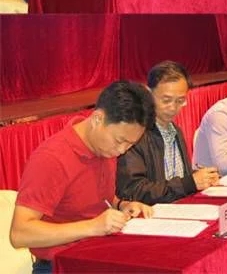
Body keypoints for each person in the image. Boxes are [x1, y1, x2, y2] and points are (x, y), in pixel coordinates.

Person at [10, 82, 155, 274]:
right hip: (60, 266)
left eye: (130, 144)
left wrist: (122, 205)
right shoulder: (52, 158)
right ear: (97, 119)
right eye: (119, 141)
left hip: (98, 256)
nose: (121, 150)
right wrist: (93, 227)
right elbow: (19, 234)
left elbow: (94, 199)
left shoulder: (104, 147)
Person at [116, 61, 219, 205]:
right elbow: (133, 191)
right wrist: (188, 183)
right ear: (148, 93)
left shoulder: (176, 131)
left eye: (180, 101)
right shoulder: (135, 134)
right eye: (166, 100)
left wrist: (201, 179)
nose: (173, 107)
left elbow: (179, 180)